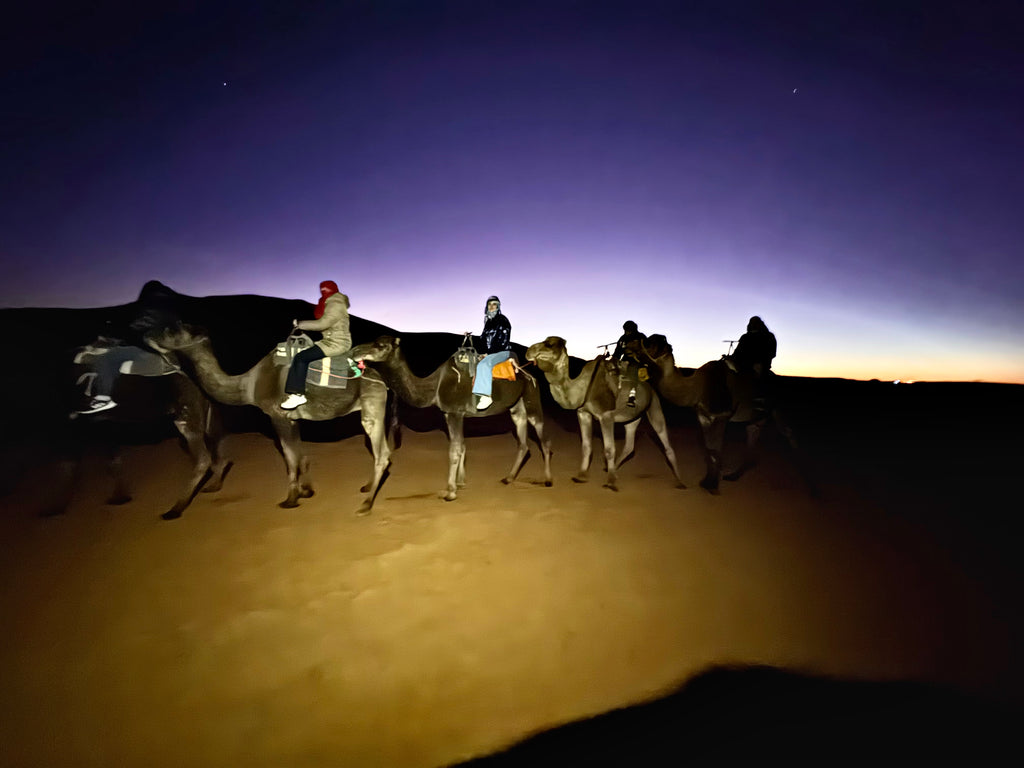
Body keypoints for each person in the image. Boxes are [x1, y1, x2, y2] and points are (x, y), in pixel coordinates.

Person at [280, 280, 351, 410]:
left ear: (334, 289)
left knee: (301, 358)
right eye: (322, 289)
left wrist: (300, 324)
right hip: (329, 340)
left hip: (337, 343)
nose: (324, 291)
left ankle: (298, 395)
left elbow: (323, 324)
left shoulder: (336, 303)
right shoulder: (327, 301)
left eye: (326, 289)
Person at [472, 295, 512, 410]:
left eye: (494, 304)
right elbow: (483, 339)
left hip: (502, 351)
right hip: (490, 352)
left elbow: (503, 339)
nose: (491, 306)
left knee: (484, 365)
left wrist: (488, 354)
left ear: (498, 306)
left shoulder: (502, 320)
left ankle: (486, 395)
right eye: (489, 304)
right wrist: (480, 351)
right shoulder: (488, 322)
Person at [613, 320, 647, 408]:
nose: (627, 332)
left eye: (629, 330)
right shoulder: (623, 338)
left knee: (633, 369)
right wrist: (613, 359)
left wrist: (637, 354)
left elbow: (647, 351)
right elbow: (618, 351)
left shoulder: (641, 337)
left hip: (638, 361)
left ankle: (632, 396)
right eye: (626, 330)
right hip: (625, 360)